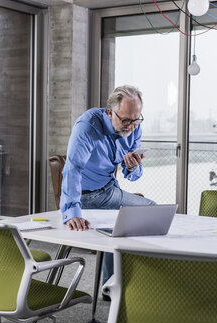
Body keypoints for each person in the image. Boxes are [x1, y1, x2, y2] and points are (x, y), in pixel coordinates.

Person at [59, 85, 156, 297]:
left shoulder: (134, 126)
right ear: (110, 112)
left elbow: (133, 175)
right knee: (152, 210)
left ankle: (112, 285)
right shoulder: (88, 126)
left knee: (120, 224)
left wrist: (132, 166)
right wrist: (72, 213)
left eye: (137, 119)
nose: (131, 126)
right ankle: (127, 283)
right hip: (88, 196)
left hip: (109, 189)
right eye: (126, 120)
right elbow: (72, 168)